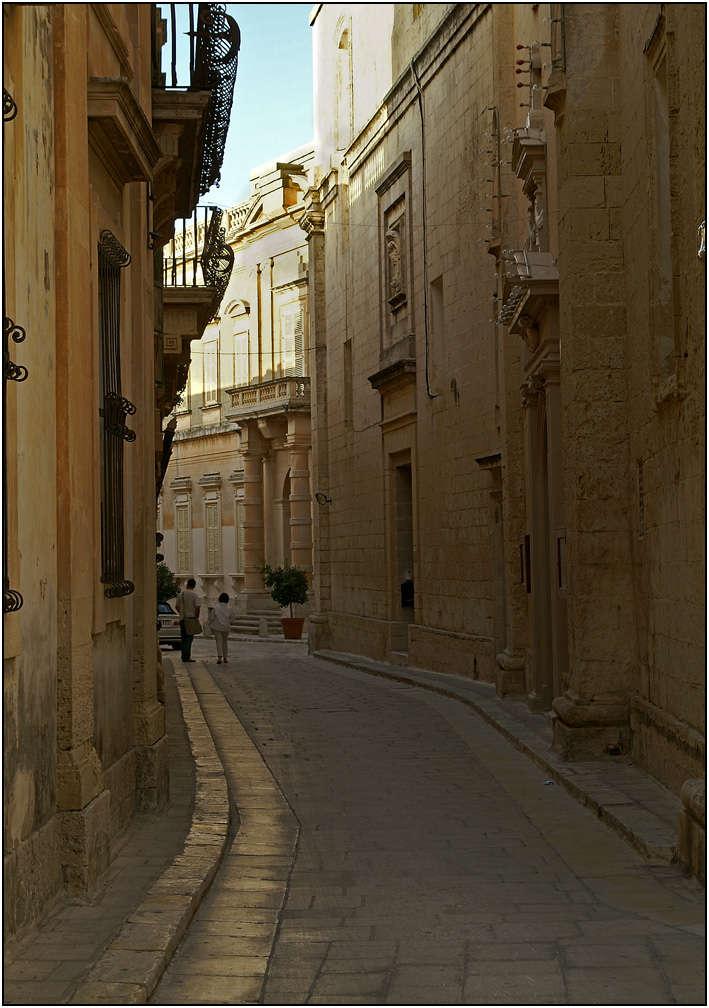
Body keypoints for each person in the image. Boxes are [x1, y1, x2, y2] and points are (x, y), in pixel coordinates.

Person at [175, 578, 200, 662]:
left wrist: (181, 613)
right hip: (190, 618)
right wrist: (197, 615)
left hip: (182, 618)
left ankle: (183, 655)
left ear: (187, 585)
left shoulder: (180, 595)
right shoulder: (194, 595)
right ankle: (187, 656)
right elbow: (197, 607)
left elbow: (177, 607)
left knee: (183, 638)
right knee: (189, 638)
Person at [209, 592, 233, 664]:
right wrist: (228, 622)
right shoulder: (229, 608)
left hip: (217, 627)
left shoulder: (216, 607)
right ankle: (225, 658)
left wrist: (213, 623)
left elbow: (211, 617)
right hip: (226, 627)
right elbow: (233, 618)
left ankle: (220, 657)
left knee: (219, 642)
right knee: (225, 642)